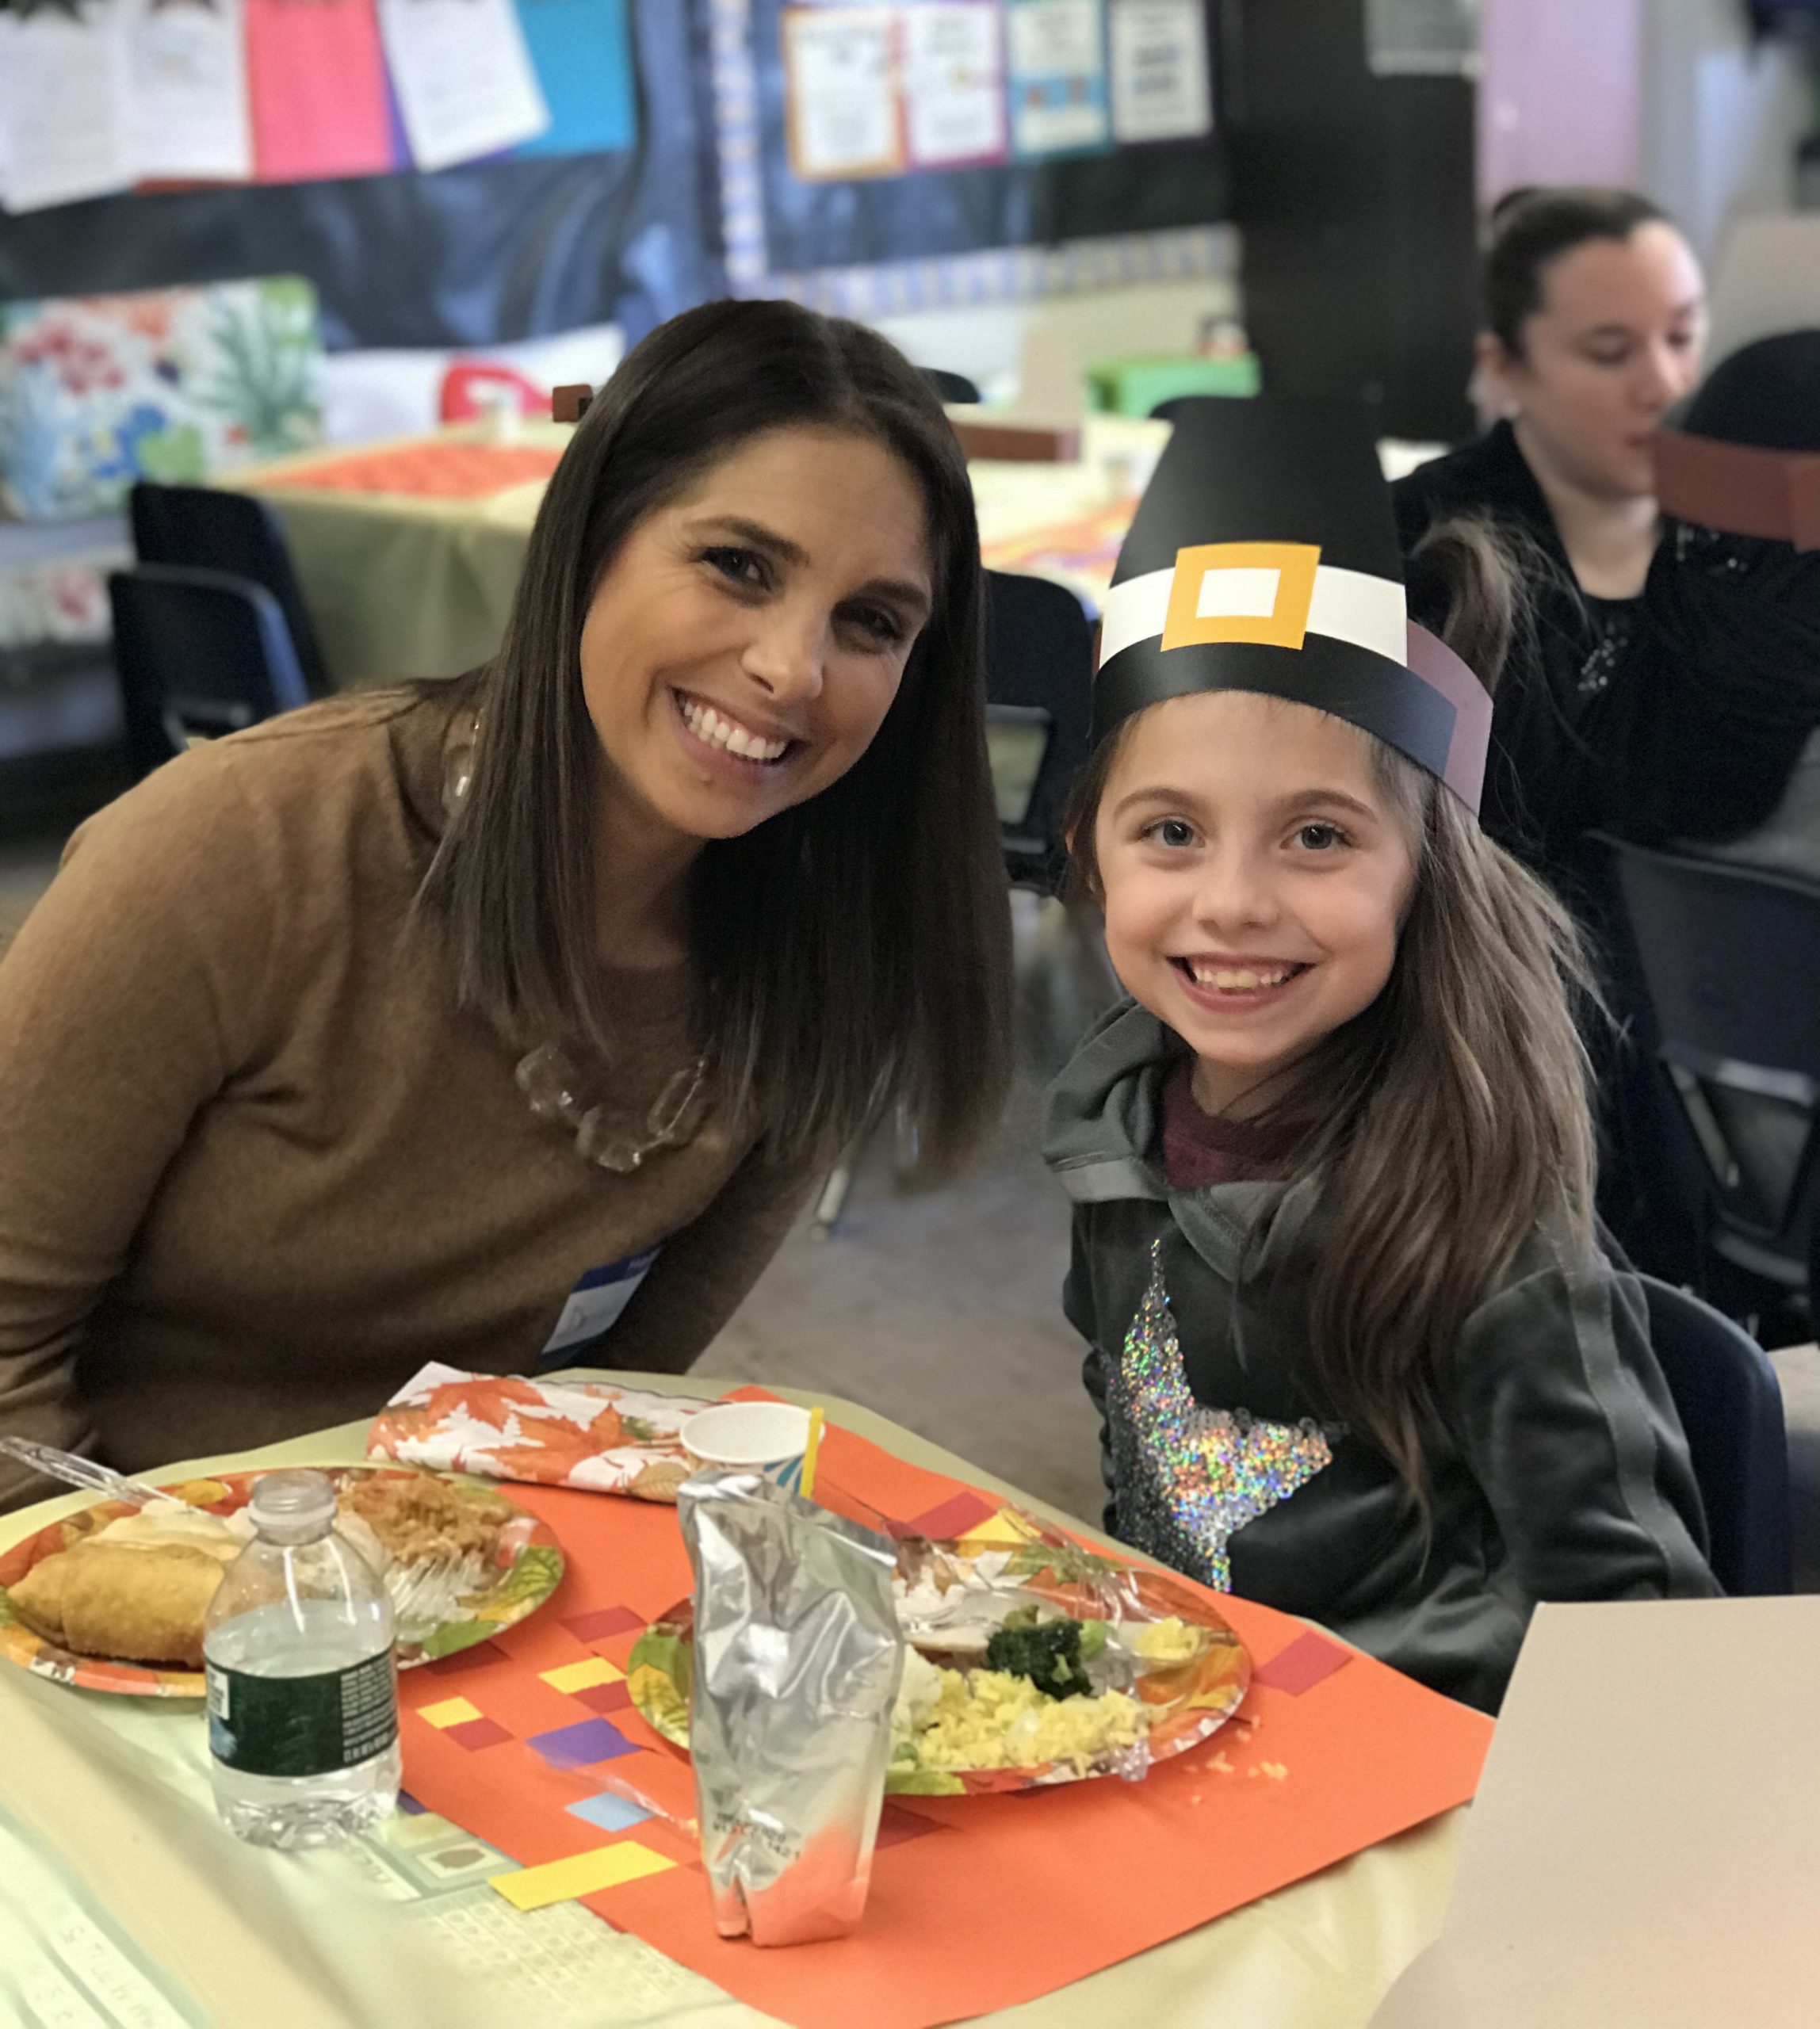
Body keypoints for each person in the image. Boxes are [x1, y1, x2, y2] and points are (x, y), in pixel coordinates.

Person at [0, 299, 1014, 1510]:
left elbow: (620, 1405)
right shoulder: (232, 850)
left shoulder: (826, 950)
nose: (794, 669)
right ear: (589, 539)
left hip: (467, 1594)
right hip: (110, 1603)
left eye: (872, 623)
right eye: (737, 566)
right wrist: (205, 1631)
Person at [1045, 399, 1715, 1714]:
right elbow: (1140, 1469)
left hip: (1434, 1798)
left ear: (1423, 876)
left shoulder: (1491, 1236)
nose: (1232, 902)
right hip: (1199, 1743)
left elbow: (1642, 1642)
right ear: (1087, 853)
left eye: (1316, 838)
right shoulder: (1107, 1134)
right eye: (1171, 832)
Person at [1394, 186, 1707, 888]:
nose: (1664, 384)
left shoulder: (1750, 533)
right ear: (1506, 369)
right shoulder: (1423, 544)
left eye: (1682, 339)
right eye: (1609, 352)